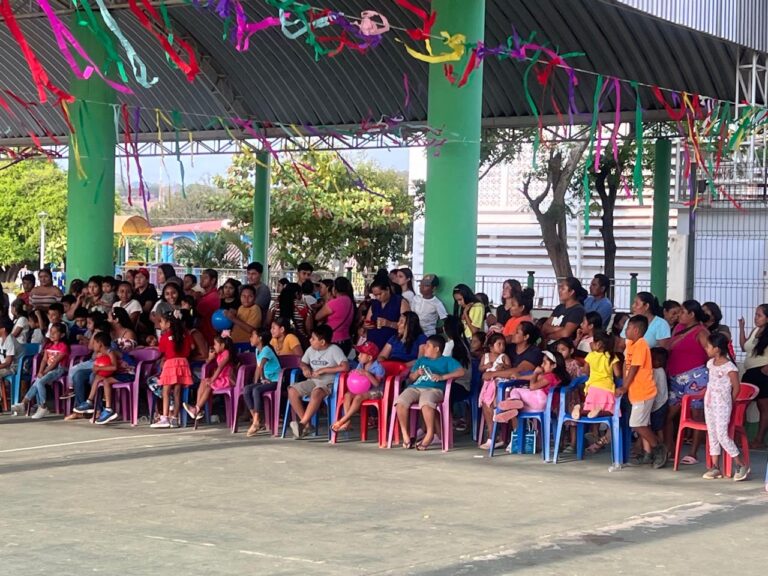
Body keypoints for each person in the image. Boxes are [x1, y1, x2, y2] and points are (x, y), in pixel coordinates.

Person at [395, 335, 465, 450]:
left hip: (434, 389)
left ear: (436, 349)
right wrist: (417, 373)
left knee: (426, 402)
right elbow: (412, 378)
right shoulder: (421, 360)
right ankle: (405, 435)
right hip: (416, 387)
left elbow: (461, 371)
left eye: (428, 346)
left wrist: (443, 377)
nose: (424, 348)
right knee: (401, 401)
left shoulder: (446, 360)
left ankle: (430, 434)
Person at [700, 332, 750, 481]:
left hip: (722, 405)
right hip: (709, 403)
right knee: (712, 434)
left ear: (717, 349)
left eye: (708, 346)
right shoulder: (710, 364)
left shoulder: (730, 368)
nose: (706, 348)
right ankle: (715, 467)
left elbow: (736, 388)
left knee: (722, 435)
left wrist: (729, 402)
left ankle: (741, 463)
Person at [666, 300, 710, 465]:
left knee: (696, 415)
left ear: (692, 315)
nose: (679, 315)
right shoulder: (677, 329)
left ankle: (693, 453)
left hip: (696, 377)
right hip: (675, 377)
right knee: (668, 414)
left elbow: (711, 353)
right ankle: (670, 448)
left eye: (683, 312)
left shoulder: (701, 332)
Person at [621, 315, 668, 469]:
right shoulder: (630, 344)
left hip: (643, 391)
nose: (625, 331)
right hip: (635, 391)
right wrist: (625, 384)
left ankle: (658, 448)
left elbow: (634, 368)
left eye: (628, 328)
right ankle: (648, 453)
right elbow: (626, 365)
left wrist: (624, 387)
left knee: (636, 423)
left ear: (636, 330)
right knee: (643, 423)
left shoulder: (641, 345)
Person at [287, 324, 348, 439]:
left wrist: (325, 370)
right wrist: (305, 368)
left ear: (323, 342)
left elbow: (345, 367)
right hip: (313, 380)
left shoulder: (334, 350)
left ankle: (302, 424)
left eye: (313, 339)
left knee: (317, 392)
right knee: (292, 390)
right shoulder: (310, 349)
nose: (310, 340)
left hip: (328, 382)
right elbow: (302, 362)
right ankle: (307, 425)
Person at [494, 350, 570, 425]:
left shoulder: (550, 376)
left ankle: (513, 401)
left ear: (554, 365)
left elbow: (532, 387)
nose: (542, 365)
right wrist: (519, 377)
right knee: (520, 407)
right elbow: (531, 377)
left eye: (544, 363)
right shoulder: (554, 377)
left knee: (515, 391)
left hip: (541, 400)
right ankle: (512, 410)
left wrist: (535, 373)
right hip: (544, 407)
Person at [11, 322, 69, 419]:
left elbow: (55, 363)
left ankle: (43, 406)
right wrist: (40, 371)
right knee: (38, 380)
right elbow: (44, 360)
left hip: (59, 369)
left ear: (62, 335)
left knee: (40, 381)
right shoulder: (49, 346)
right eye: (51, 332)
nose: (52, 334)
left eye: (55, 332)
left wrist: (44, 372)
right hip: (49, 369)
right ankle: (23, 404)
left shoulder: (64, 347)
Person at [76, 332, 134, 425]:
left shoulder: (111, 352)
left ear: (100, 344)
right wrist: (97, 369)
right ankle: (89, 401)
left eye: (94, 343)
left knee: (106, 381)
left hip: (128, 373)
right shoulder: (103, 353)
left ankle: (108, 409)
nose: (93, 345)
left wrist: (99, 368)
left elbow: (114, 367)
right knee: (98, 377)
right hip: (120, 372)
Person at [150, 311, 194, 428]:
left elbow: (161, 350)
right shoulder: (185, 334)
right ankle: (174, 418)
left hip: (170, 363)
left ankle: (164, 418)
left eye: (162, 322)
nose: (160, 324)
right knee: (177, 391)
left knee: (166, 390)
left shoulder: (165, 336)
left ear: (169, 324)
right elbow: (192, 347)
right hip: (183, 363)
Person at [331, 341, 386, 433]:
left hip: (376, 391)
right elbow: (356, 378)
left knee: (358, 398)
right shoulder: (361, 364)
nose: (358, 356)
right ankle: (347, 422)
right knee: (347, 395)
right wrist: (352, 373)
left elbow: (376, 384)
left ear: (370, 357)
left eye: (361, 354)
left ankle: (343, 420)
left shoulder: (378, 367)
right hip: (362, 390)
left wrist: (367, 374)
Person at [183, 335, 237, 423]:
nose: (214, 346)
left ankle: (196, 409)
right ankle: (197, 409)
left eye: (215, 344)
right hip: (220, 380)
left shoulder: (226, 353)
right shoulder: (218, 355)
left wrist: (212, 379)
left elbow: (220, 368)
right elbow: (207, 363)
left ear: (222, 345)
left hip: (227, 380)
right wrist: (210, 357)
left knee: (209, 385)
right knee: (204, 381)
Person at [242, 328, 282, 437]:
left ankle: (255, 422)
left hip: (275, 381)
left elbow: (261, 367)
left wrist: (262, 379)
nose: (250, 338)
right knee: (246, 389)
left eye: (252, 336)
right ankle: (257, 419)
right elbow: (257, 367)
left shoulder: (266, 349)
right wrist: (256, 381)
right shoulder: (257, 350)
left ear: (260, 338)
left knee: (256, 390)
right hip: (266, 380)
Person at [572, 331, 620, 420]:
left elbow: (586, 371)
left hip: (592, 388)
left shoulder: (590, 355)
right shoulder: (612, 356)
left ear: (599, 344)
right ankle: (599, 410)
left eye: (593, 341)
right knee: (610, 411)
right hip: (607, 388)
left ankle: (579, 409)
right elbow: (617, 374)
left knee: (589, 411)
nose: (591, 343)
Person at [738, 304, 768, 448]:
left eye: (759, 315)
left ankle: (759, 439)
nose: (755, 318)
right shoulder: (756, 330)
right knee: (741, 405)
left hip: (762, 373)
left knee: (764, 407)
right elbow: (744, 347)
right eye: (756, 314)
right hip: (750, 373)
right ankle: (739, 437)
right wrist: (742, 328)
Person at [478, 332, 511, 448]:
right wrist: (486, 366)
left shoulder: (504, 357)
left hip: (500, 386)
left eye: (503, 344)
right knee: (486, 405)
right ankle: (492, 435)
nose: (502, 347)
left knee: (492, 405)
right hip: (487, 386)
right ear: (491, 346)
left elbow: (509, 368)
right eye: (499, 344)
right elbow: (480, 368)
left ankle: (495, 436)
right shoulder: (485, 356)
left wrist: (503, 367)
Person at [314, 277, 356, 355]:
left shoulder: (335, 302)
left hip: (334, 340)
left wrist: (327, 301)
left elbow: (317, 316)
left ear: (334, 289)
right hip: (346, 340)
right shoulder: (350, 301)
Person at [363, 279, 408, 351]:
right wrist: (366, 325)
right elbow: (367, 320)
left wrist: (389, 324)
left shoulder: (400, 302)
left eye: (380, 294)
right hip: (373, 343)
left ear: (387, 289)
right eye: (375, 295)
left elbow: (407, 325)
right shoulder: (375, 303)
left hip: (390, 345)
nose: (378, 297)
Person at [540, 277, 587, 344]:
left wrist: (549, 336)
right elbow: (544, 328)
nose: (560, 291)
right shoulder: (559, 308)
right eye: (560, 288)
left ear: (571, 292)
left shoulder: (578, 310)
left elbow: (565, 334)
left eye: (563, 288)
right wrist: (558, 329)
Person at [196, 268, 220, 346]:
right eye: (201, 278)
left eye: (205, 278)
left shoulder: (212, 297)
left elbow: (198, 312)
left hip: (209, 335)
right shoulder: (205, 296)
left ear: (213, 281)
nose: (202, 280)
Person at [651, 347, 670, 444]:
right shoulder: (662, 371)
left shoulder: (656, 372)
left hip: (658, 404)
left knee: (657, 428)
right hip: (662, 403)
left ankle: (660, 447)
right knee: (659, 428)